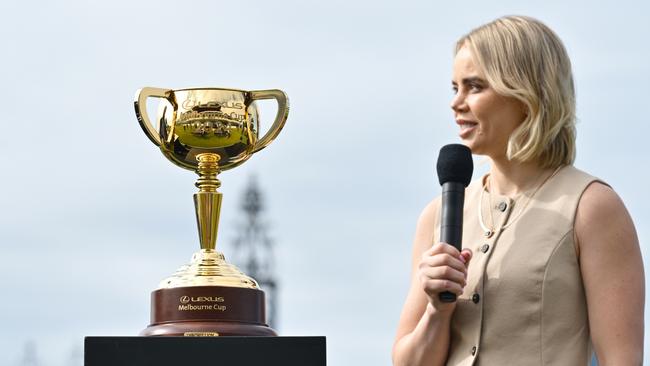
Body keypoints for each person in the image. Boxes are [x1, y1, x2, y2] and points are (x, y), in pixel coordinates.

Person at [392, 15, 644, 366]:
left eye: (475, 86)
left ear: (526, 93)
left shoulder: (592, 207)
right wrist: (437, 309)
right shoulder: (436, 215)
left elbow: (622, 360)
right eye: (455, 88)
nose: (456, 102)